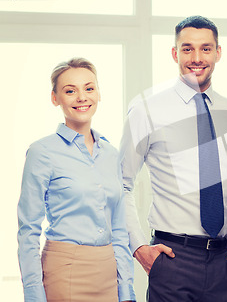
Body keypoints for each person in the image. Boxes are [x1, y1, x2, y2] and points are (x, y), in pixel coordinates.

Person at [120, 15, 227, 302]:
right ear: (174, 53)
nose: (197, 57)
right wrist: (139, 247)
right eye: (187, 48)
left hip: (225, 260)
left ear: (218, 52)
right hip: (172, 260)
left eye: (206, 48)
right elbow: (122, 183)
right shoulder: (146, 110)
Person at [17, 58, 136, 302]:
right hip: (65, 270)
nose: (82, 97)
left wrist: (126, 290)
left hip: (108, 273)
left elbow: (119, 229)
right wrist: (33, 296)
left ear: (99, 93)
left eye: (89, 88)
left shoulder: (111, 154)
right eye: (70, 91)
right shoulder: (42, 152)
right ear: (55, 98)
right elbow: (28, 229)